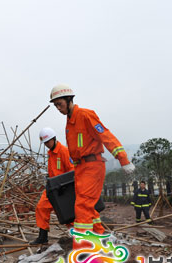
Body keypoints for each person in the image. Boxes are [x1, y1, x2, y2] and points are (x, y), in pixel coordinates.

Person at [49, 84, 135, 249]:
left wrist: (123, 159)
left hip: (93, 166)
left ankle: (82, 250)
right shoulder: (69, 122)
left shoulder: (86, 115)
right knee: (90, 209)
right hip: (80, 169)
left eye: (59, 104)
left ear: (69, 100)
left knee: (82, 207)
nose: (58, 108)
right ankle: (100, 237)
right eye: (55, 106)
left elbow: (105, 135)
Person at [30, 127, 74, 244]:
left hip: (63, 189)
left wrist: (65, 186)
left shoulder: (64, 152)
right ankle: (42, 237)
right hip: (53, 187)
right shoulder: (51, 154)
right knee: (41, 207)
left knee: (67, 214)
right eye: (44, 143)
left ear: (54, 139)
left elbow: (72, 172)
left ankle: (79, 237)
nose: (46, 145)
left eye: (48, 142)